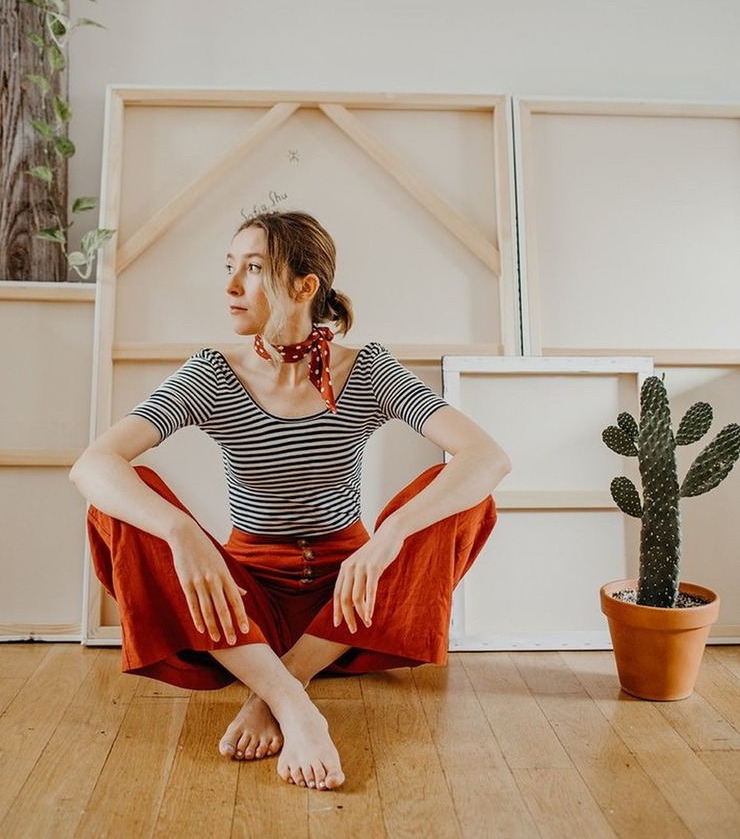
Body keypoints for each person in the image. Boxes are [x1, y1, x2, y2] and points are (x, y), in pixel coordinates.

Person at [70, 211, 510, 791]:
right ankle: (293, 701)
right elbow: (93, 464)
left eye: (253, 268)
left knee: (459, 498)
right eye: (230, 267)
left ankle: (276, 687)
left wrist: (389, 538)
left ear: (305, 287)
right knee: (124, 501)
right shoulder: (213, 374)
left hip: (352, 599)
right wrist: (181, 534)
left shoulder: (367, 369)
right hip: (242, 603)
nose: (231, 286)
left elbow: (487, 457)